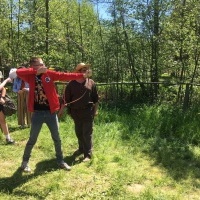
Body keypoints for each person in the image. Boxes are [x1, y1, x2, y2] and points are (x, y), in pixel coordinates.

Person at [9, 57, 92, 172]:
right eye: (41, 64)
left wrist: (82, 75)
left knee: (57, 138)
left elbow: (65, 75)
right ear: (34, 66)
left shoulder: (49, 74)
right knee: (32, 139)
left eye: (43, 63)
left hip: (51, 113)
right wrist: (35, 72)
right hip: (37, 113)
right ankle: (24, 163)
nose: (44, 66)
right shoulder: (29, 75)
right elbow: (15, 72)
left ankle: (60, 161)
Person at [63, 63, 99, 162]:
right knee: (79, 132)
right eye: (83, 70)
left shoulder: (91, 82)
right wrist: (69, 111)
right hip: (75, 112)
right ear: (78, 72)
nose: (86, 71)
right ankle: (81, 148)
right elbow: (67, 100)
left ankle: (88, 154)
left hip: (88, 111)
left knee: (87, 133)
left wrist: (95, 111)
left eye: (87, 69)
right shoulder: (71, 83)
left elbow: (96, 99)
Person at [0, 72, 15, 144]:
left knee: (2, 120)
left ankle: (8, 138)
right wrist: (5, 81)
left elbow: (3, 89)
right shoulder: (3, 82)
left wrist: (2, 97)